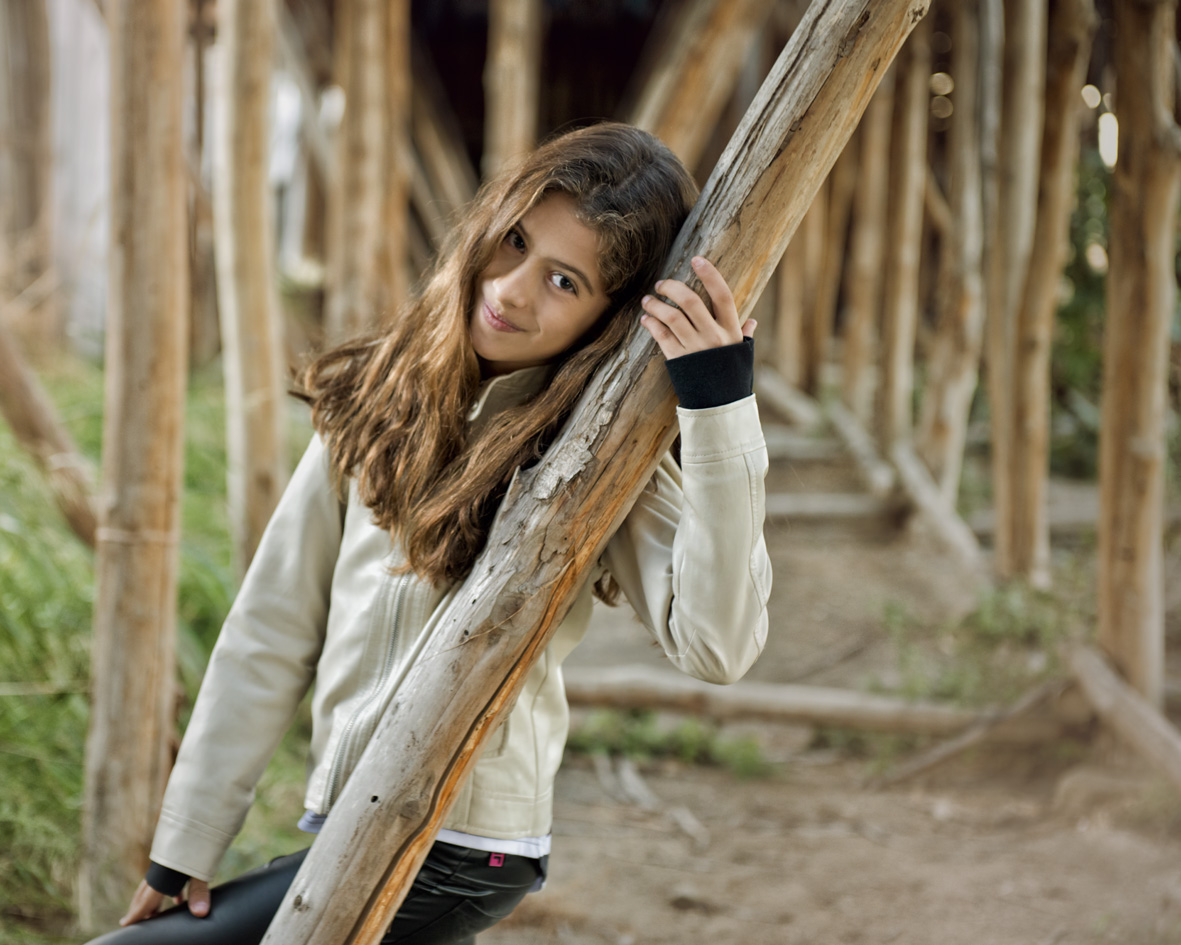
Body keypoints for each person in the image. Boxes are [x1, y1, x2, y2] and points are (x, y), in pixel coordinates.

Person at [86, 121, 771, 945]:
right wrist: (183, 847)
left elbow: (718, 643)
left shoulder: (593, 449)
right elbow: (270, 627)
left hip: (459, 847)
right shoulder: (383, 392)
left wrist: (716, 405)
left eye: (562, 280)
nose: (512, 290)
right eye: (514, 241)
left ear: (606, 317)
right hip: (347, 817)